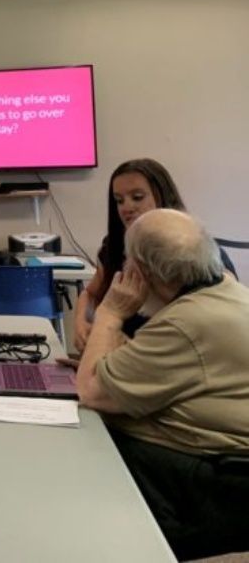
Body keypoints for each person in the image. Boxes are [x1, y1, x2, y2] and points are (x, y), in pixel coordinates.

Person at [75, 209, 249, 560]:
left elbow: (91, 390)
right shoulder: (228, 294)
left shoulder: (187, 322)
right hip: (227, 468)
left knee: (89, 445)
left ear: (140, 271)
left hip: (222, 486)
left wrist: (110, 313)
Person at [72, 159, 236, 352]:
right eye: (119, 200)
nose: (126, 207)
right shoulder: (113, 247)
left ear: (162, 196)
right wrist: (80, 322)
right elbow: (91, 292)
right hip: (127, 357)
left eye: (138, 197)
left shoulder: (196, 251)